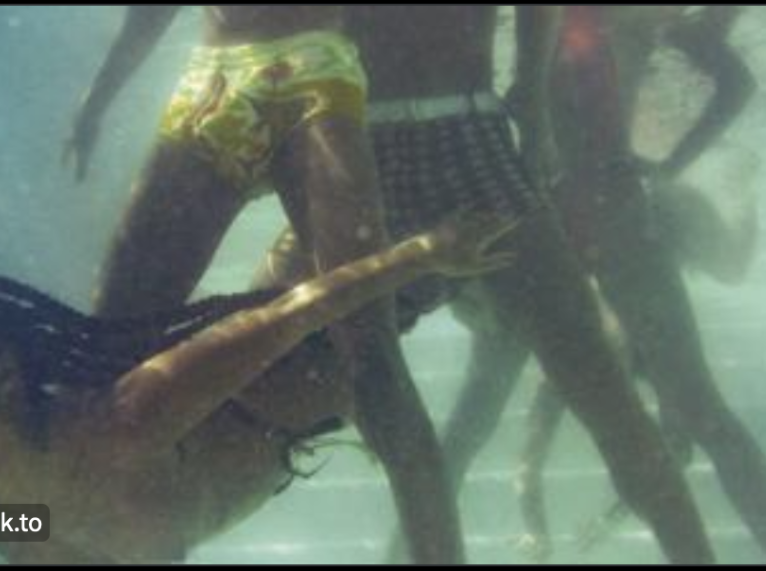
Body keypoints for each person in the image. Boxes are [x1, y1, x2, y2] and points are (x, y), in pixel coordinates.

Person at [254, 6, 714, 564]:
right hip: (361, 137)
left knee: (604, 394)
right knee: (353, 388)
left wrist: (533, 105)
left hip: (457, 132)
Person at [0, 212, 517, 564]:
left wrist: (425, 251)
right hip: (263, 425)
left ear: (3, 376)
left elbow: (293, 315)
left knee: (408, 286)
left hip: (301, 380)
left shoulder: (125, 420)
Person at [63, 7, 462, 562]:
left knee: (370, 352)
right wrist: (98, 98)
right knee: (106, 352)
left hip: (309, 72)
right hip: (220, 77)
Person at [434, 6, 766, 564]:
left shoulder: (634, 15)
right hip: (585, 209)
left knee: (474, 419)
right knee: (698, 411)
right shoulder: (633, 18)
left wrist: (671, 165)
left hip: (548, 209)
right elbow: (734, 82)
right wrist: (671, 163)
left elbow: (735, 83)